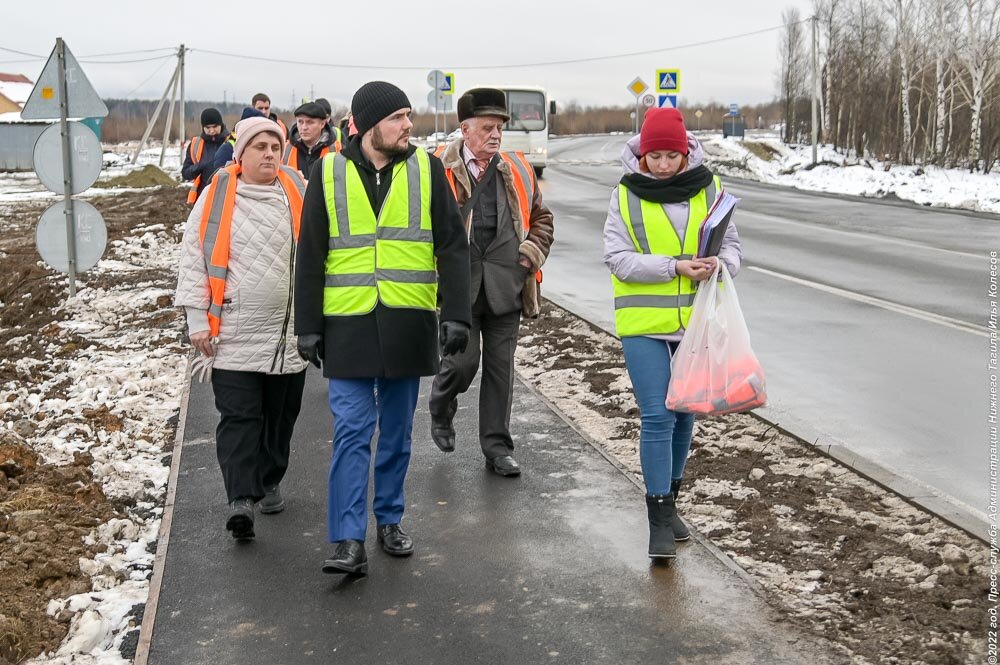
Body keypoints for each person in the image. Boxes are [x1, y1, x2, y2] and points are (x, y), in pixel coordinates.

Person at [294, 81, 471, 576]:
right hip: (346, 323)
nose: (408, 126)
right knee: (352, 431)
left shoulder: (427, 169)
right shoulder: (327, 171)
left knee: (395, 433)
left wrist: (455, 313)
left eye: (408, 117)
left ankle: (389, 518)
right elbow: (309, 254)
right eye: (398, 118)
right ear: (369, 124)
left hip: (408, 322)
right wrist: (307, 325)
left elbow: (453, 247)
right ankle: (348, 539)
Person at [603, 107, 742, 560]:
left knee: (686, 414)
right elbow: (617, 258)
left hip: (694, 324)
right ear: (642, 154)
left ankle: (672, 502)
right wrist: (675, 267)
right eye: (654, 155)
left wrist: (721, 266)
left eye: (671, 156)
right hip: (643, 324)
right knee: (659, 416)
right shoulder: (625, 196)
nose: (662, 165)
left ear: (685, 153)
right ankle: (658, 519)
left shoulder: (713, 189)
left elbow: (734, 247)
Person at [175, 116, 309, 540]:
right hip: (231, 331)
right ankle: (240, 500)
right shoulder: (216, 196)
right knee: (238, 417)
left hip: (288, 334)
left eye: (275, 146)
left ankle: (268, 481)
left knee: (280, 417)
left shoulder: (298, 191)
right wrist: (197, 320)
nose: (270, 154)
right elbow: (195, 256)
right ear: (241, 154)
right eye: (260, 147)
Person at [429, 87, 554, 477]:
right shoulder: (436, 168)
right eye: (487, 127)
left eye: (499, 126)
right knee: (463, 364)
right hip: (457, 289)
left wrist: (529, 254)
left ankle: (497, 448)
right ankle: (441, 402)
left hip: (507, 286)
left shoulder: (516, 167)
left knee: (501, 369)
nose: (496, 134)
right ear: (464, 129)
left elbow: (543, 220)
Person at [283, 101, 344, 180]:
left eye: (310, 122)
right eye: (300, 122)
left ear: (322, 124)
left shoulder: (338, 150)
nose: (304, 127)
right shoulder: (285, 149)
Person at [181, 107, 226, 205]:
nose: (212, 131)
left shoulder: (231, 142)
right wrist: (199, 167)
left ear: (221, 125)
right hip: (202, 197)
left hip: (227, 194)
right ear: (203, 127)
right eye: (208, 128)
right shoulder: (195, 144)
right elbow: (185, 173)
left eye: (215, 127)